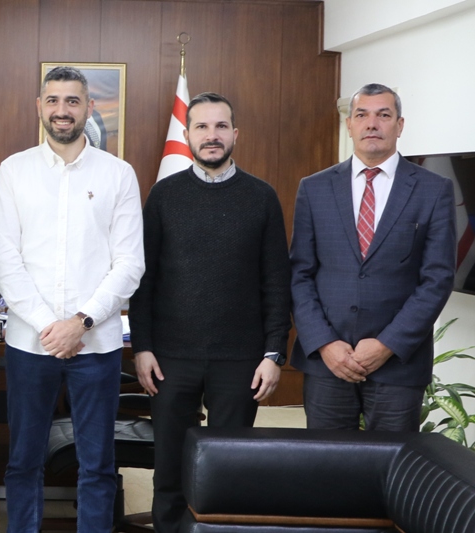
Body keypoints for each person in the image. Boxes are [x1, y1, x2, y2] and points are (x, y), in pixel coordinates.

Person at [0, 66, 144, 533]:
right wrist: (49, 327)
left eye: (72, 101)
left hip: (96, 346)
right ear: (40, 107)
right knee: (23, 461)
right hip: (29, 344)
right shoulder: (14, 171)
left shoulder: (118, 174)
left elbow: (129, 263)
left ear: (88, 108)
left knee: (97, 465)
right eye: (53, 100)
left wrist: (80, 322)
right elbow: (4, 260)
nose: (62, 110)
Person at [127, 92, 291, 533]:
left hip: (240, 359)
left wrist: (274, 353)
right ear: (187, 135)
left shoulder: (261, 197)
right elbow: (143, 280)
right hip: (170, 358)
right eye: (202, 126)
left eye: (220, 126)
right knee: (169, 470)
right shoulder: (163, 195)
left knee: (231, 468)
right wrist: (142, 347)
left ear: (235, 134)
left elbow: (277, 282)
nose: (212, 135)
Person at [290, 83, 455, 431]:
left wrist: (386, 345)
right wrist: (325, 343)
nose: (372, 124)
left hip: (398, 365)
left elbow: (437, 279)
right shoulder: (314, 188)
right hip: (328, 362)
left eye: (384, 115)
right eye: (362, 115)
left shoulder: (433, 190)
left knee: (391, 460)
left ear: (400, 125)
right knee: (326, 460)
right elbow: (299, 274)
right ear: (349, 124)